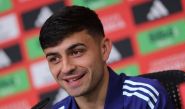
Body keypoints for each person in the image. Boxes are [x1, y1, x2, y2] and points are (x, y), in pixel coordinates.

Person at [39, 5, 173, 109]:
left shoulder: (144, 100)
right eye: (54, 59)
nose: (66, 68)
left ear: (104, 49)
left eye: (76, 52)